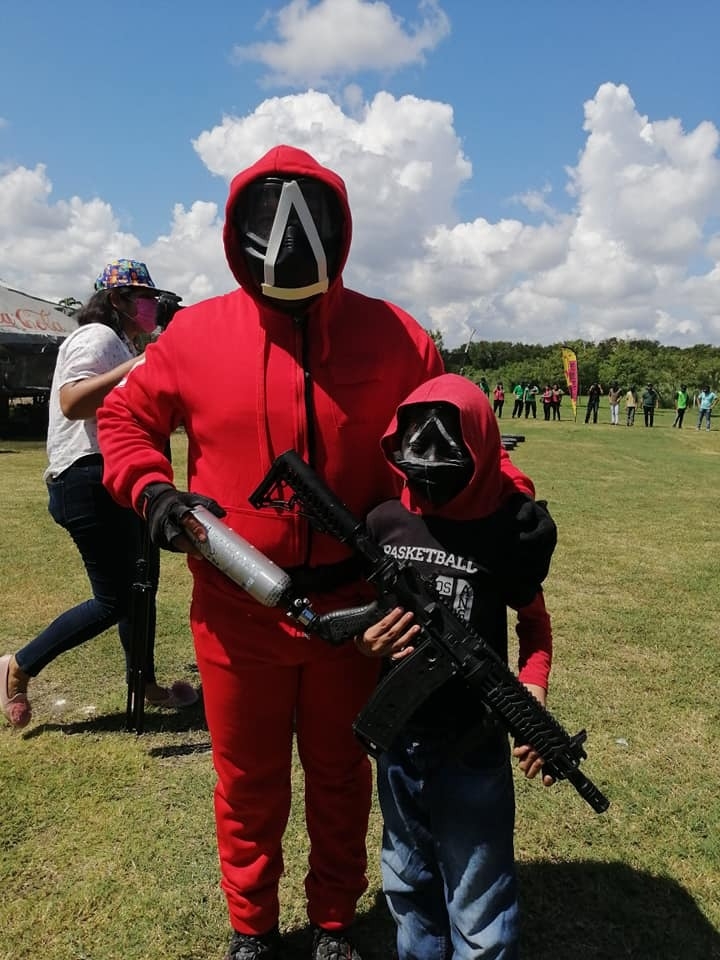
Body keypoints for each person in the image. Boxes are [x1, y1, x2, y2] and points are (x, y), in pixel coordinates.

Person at [96, 146, 537, 960]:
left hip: (363, 614)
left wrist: (511, 499)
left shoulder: (398, 337)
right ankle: (252, 929)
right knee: (248, 783)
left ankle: (335, 921)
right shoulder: (193, 335)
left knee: (342, 777)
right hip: (234, 608)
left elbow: (460, 426)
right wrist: (153, 490)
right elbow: (124, 422)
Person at [355, 373, 557, 960]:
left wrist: (533, 688)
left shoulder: (508, 532)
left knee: (480, 899)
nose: (430, 461)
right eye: (417, 442)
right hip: (397, 738)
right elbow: (368, 615)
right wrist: (365, 642)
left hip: (473, 742)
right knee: (406, 875)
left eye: (451, 444)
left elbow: (535, 625)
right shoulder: (384, 522)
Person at [0, 259, 197, 730]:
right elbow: (73, 402)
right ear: (116, 301)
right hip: (85, 477)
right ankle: (19, 666)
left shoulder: (123, 342)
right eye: (143, 299)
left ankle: (144, 684)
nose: (151, 307)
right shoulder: (97, 337)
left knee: (139, 587)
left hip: (109, 476)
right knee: (116, 599)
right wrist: (142, 361)